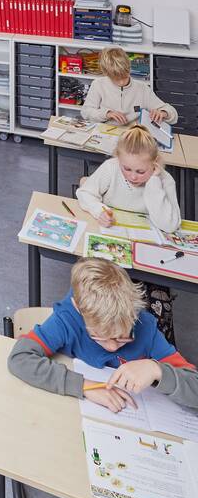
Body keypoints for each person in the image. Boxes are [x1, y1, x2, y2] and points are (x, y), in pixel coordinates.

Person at [7, 257, 198, 498]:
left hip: (140, 444)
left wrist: (157, 370)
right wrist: (84, 386)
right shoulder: (68, 318)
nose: (111, 347)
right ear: (79, 309)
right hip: (79, 428)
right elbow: (20, 358)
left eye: (122, 337)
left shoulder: (144, 327)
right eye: (99, 337)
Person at [76, 125, 180, 342]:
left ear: (154, 164)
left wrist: (153, 184)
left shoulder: (164, 180)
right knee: (102, 294)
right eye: (127, 169)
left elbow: (169, 224)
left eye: (141, 171)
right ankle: (104, 342)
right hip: (113, 248)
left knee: (155, 304)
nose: (133, 176)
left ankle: (153, 354)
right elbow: (85, 192)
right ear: (118, 160)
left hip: (147, 254)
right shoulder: (111, 168)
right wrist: (100, 210)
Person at [81, 47, 177, 125]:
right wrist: (107, 114)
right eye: (117, 79)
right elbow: (86, 112)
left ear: (129, 69)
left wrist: (163, 113)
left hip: (133, 135)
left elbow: (173, 115)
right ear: (107, 73)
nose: (122, 82)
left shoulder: (142, 89)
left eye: (125, 76)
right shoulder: (98, 84)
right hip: (106, 133)